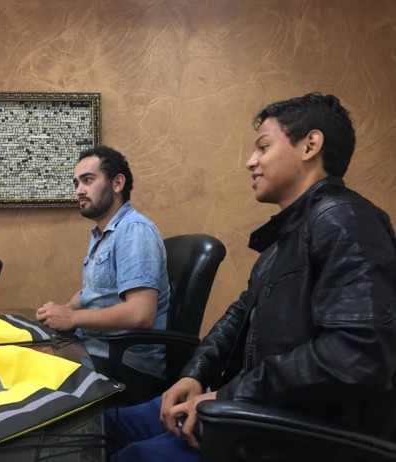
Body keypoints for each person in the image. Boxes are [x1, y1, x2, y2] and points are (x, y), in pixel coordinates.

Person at [106, 93, 396, 462]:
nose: (250, 161)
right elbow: (237, 316)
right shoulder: (288, 235)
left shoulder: (345, 220)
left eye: (263, 147)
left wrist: (227, 396)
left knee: (134, 455)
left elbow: (357, 356)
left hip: (292, 431)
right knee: (105, 426)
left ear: (310, 145)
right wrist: (194, 375)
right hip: (253, 403)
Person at [35, 145, 170, 403]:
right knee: (25, 355)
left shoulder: (134, 231)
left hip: (128, 365)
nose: (79, 190)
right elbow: (92, 292)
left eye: (88, 180)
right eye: (76, 183)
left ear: (117, 183)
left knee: (32, 379)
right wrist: (61, 311)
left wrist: (72, 318)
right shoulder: (102, 234)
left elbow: (141, 313)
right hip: (95, 348)